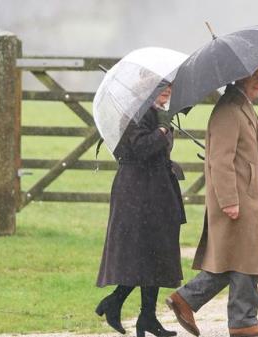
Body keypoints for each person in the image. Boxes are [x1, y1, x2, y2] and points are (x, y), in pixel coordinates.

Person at [165, 64, 258, 337]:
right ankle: (241, 321)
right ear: (240, 77)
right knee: (242, 258)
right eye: (256, 77)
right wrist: (229, 200)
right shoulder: (229, 110)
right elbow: (220, 160)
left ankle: (190, 301)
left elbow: (244, 151)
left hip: (246, 195)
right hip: (236, 197)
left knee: (239, 258)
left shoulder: (243, 105)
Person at [95, 85, 186, 337]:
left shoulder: (159, 112)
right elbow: (141, 149)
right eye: (161, 86)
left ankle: (146, 316)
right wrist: (162, 129)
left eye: (170, 86)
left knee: (155, 254)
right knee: (141, 253)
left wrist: (164, 125)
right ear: (146, 90)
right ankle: (118, 303)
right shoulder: (134, 114)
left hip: (156, 191)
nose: (168, 90)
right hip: (137, 192)